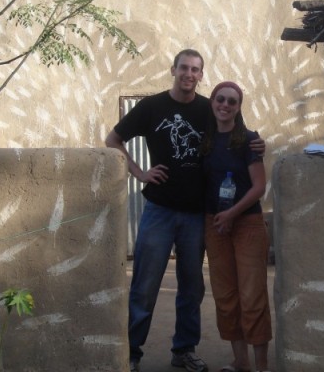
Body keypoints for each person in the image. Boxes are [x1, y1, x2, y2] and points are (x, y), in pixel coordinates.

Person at [105, 50, 264, 372]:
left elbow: (237, 134)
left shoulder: (210, 107)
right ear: (173, 70)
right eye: (184, 68)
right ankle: (132, 354)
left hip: (196, 214)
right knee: (145, 287)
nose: (189, 74)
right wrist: (140, 173)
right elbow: (113, 140)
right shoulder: (151, 106)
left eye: (195, 69)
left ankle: (184, 351)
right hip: (159, 210)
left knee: (192, 287)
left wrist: (258, 144)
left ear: (201, 75)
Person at [201, 82, 272, 372]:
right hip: (214, 225)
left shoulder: (248, 140)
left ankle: (261, 367)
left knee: (252, 296)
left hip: (247, 224)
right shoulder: (203, 140)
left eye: (232, 101)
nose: (225, 105)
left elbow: (259, 187)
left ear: (238, 107)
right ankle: (240, 362)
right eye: (221, 99)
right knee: (226, 296)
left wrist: (232, 213)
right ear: (212, 102)